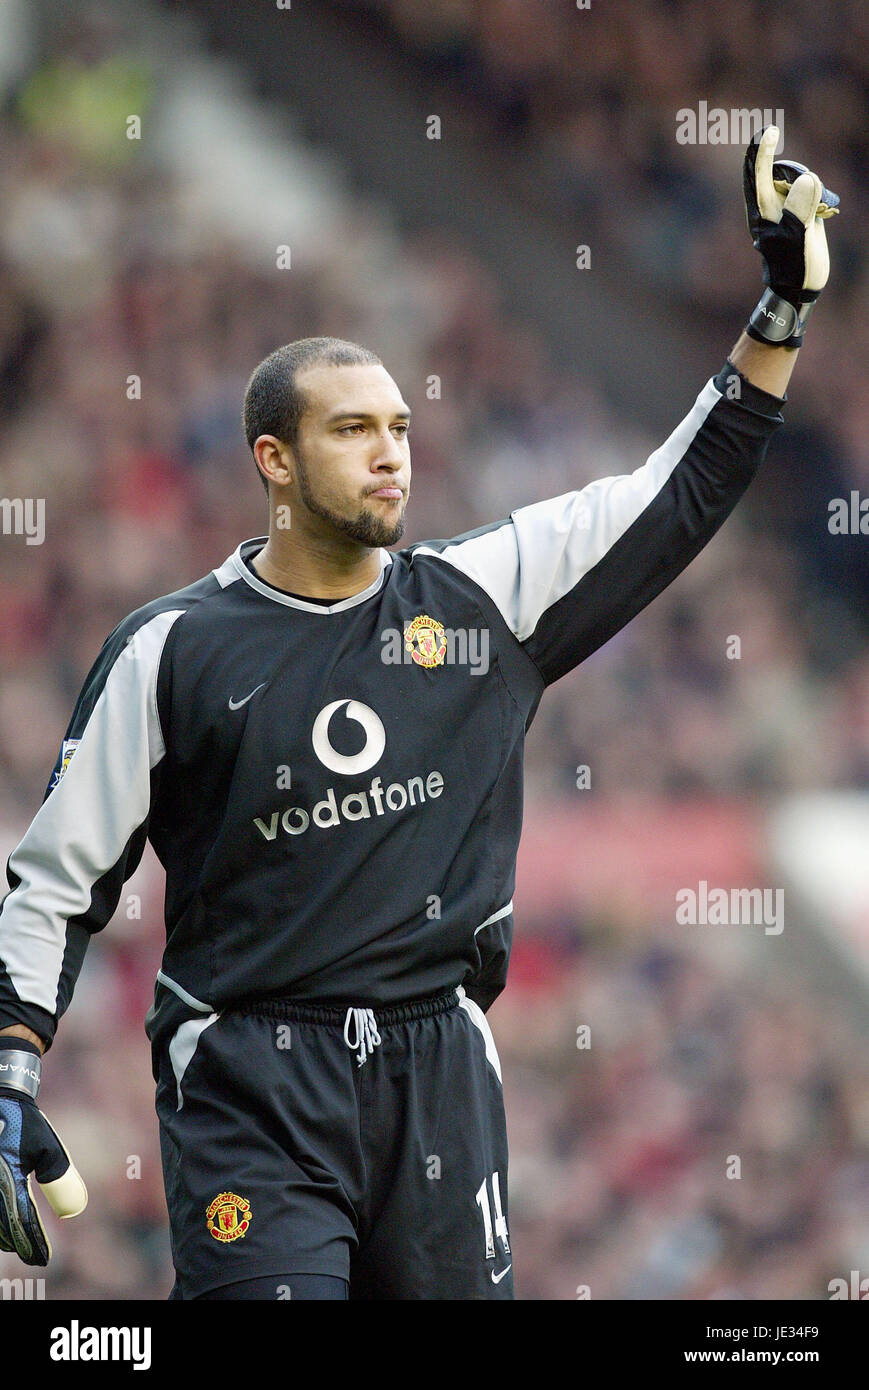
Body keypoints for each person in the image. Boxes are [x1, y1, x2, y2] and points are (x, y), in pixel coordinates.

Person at [0, 128, 838, 1299]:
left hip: (438, 1067)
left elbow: (675, 491)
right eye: (352, 430)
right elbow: (54, 878)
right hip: (253, 1081)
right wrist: (14, 1059)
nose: (391, 453)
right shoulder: (169, 649)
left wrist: (779, 312)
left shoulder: (484, 595)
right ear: (273, 461)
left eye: (397, 426)